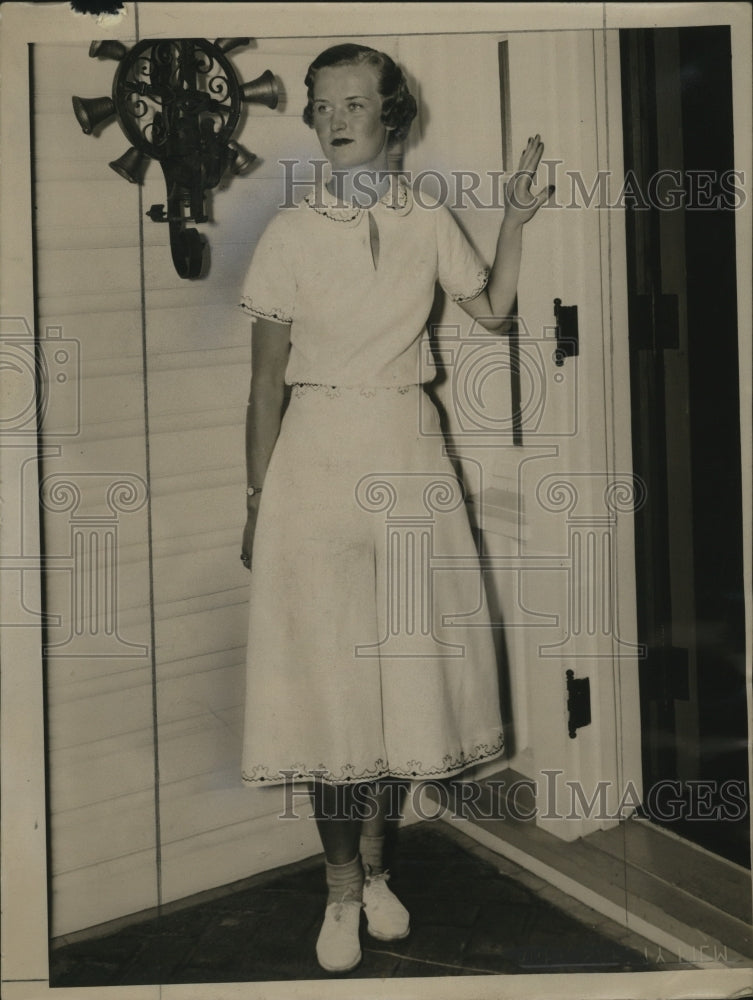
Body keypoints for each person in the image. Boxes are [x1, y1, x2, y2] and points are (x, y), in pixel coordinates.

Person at [238, 42, 552, 974]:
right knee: (329, 688)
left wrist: (517, 219)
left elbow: (492, 309)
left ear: (390, 117)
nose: (335, 119)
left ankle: (376, 874)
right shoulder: (289, 232)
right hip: (312, 465)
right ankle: (338, 894)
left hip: (408, 457)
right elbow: (261, 389)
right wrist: (258, 502)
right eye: (321, 104)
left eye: (353, 103)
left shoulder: (425, 219)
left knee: (395, 677)